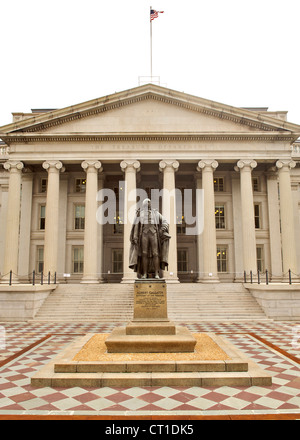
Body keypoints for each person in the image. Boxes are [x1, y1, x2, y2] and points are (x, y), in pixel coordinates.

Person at [129, 198, 170, 279]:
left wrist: (162, 229)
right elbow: (136, 226)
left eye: (149, 202)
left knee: (156, 254)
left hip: (154, 234)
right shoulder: (140, 214)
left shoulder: (156, 213)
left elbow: (165, 221)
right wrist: (135, 236)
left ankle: (156, 273)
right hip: (144, 234)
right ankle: (144, 273)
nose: (148, 203)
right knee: (144, 254)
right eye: (147, 202)